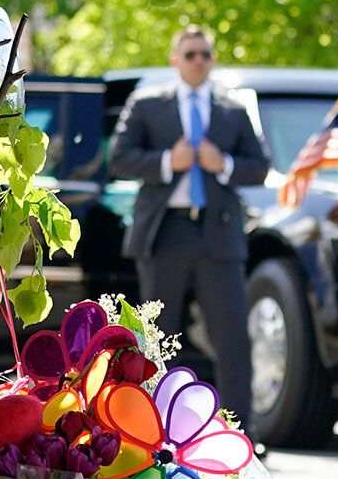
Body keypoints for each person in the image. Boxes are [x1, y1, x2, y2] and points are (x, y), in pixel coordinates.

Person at [108, 26, 273, 421]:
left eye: (205, 54)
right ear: (175, 60)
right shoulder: (148, 104)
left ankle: (240, 432)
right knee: (158, 338)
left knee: (232, 335)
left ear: (213, 60)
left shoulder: (232, 109)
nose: (198, 60)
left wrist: (226, 164)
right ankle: (150, 428)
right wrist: (168, 161)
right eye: (190, 54)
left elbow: (260, 168)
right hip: (166, 232)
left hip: (219, 232)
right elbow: (120, 158)